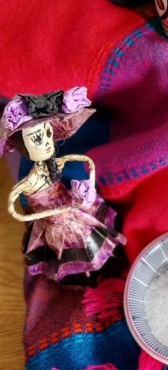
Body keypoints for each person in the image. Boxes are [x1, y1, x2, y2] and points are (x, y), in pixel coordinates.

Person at [0, 88, 126, 285]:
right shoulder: (29, 180)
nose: (47, 142)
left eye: (47, 132)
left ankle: (100, 269)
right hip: (54, 225)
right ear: (22, 146)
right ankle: (79, 276)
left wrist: (88, 188)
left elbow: (86, 162)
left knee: (94, 241)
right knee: (64, 253)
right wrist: (42, 215)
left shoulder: (57, 162)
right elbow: (14, 209)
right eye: (37, 138)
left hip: (74, 211)